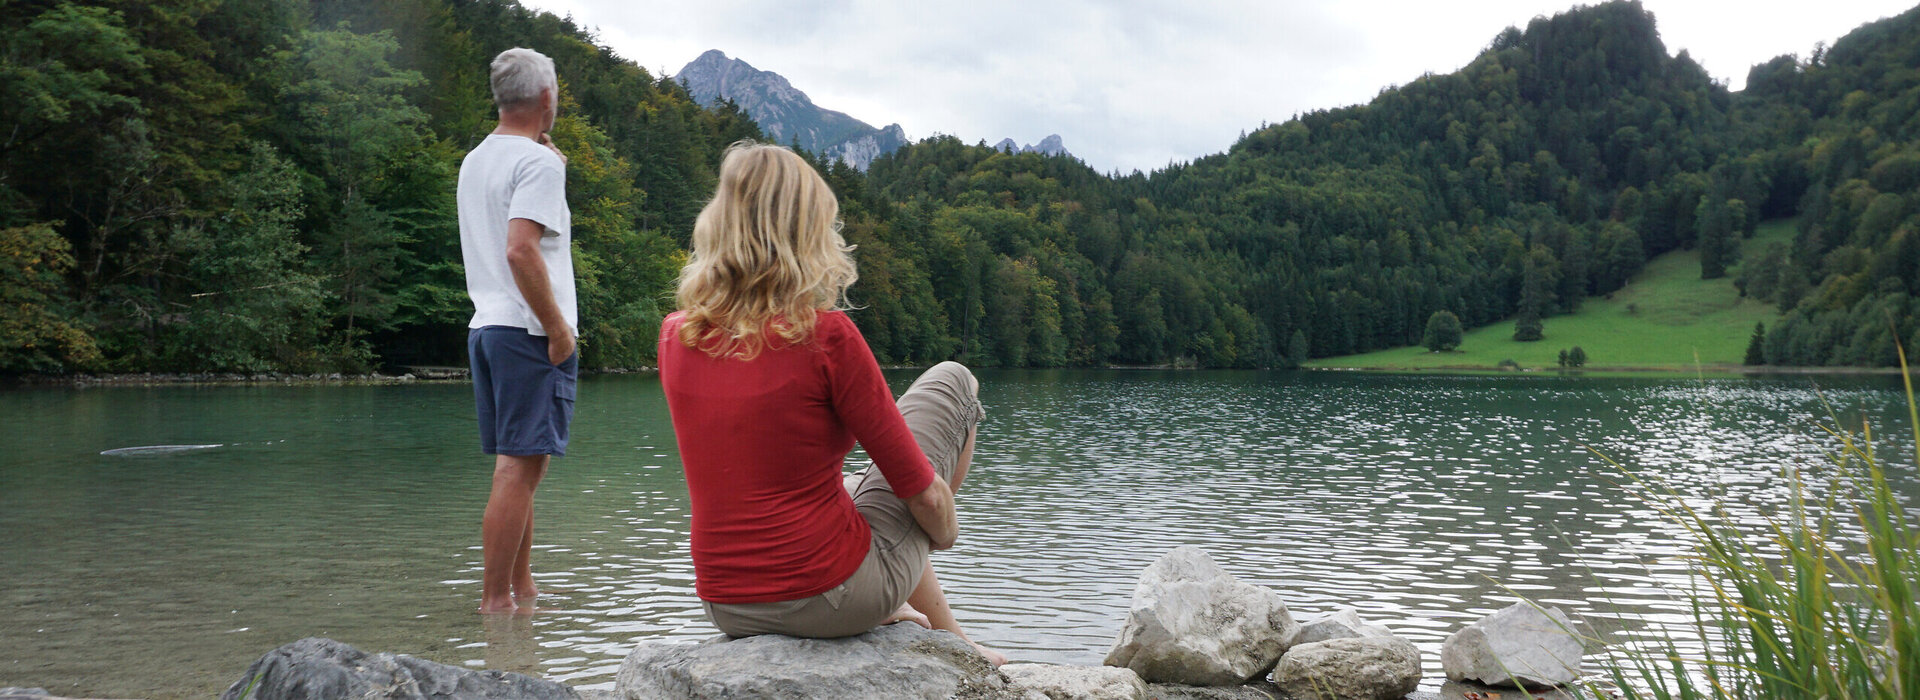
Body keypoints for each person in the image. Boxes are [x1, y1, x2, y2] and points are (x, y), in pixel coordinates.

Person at [657, 141, 1005, 665]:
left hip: (725, 601)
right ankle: (917, 616)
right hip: (828, 596)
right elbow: (923, 496)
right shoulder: (824, 336)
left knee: (845, 486)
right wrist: (941, 535)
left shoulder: (674, 336)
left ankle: (945, 630)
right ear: (808, 232)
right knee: (954, 381)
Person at [458, 47, 578, 614]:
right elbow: (520, 248)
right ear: (547, 98)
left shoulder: (479, 158)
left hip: (487, 328)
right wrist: (557, 329)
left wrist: (547, 159)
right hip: (527, 332)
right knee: (517, 469)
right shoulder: (538, 165)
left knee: (522, 464)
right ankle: (496, 603)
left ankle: (522, 591)